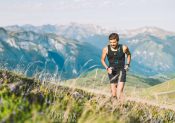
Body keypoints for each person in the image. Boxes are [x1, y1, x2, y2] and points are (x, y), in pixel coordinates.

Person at [101, 33, 131, 101]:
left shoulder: (124, 48)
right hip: (112, 71)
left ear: (117, 41)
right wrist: (107, 68)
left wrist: (127, 64)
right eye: (110, 42)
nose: (112, 44)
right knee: (114, 94)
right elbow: (102, 60)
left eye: (114, 42)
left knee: (119, 93)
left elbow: (129, 55)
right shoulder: (106, 49)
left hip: (121, 71)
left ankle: (121, 107)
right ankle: (114, 107)